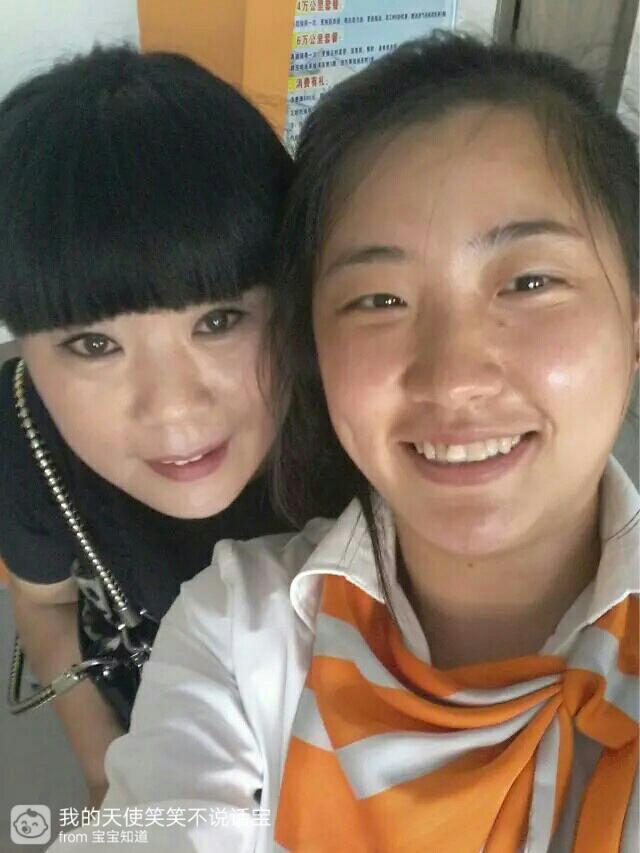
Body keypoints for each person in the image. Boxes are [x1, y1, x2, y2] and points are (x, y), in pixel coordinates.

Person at [49, 32, 639, 852]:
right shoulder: (239, 631)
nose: (452, 379)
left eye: (530, 282)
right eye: (378, 300)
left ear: (633, 322)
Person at [0, 45, 294, 807]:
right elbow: (45, 604)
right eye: (93, 345)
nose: (171, 408)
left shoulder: (365, 427)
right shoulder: (24, 431)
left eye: (219, 320)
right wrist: (108, 776)